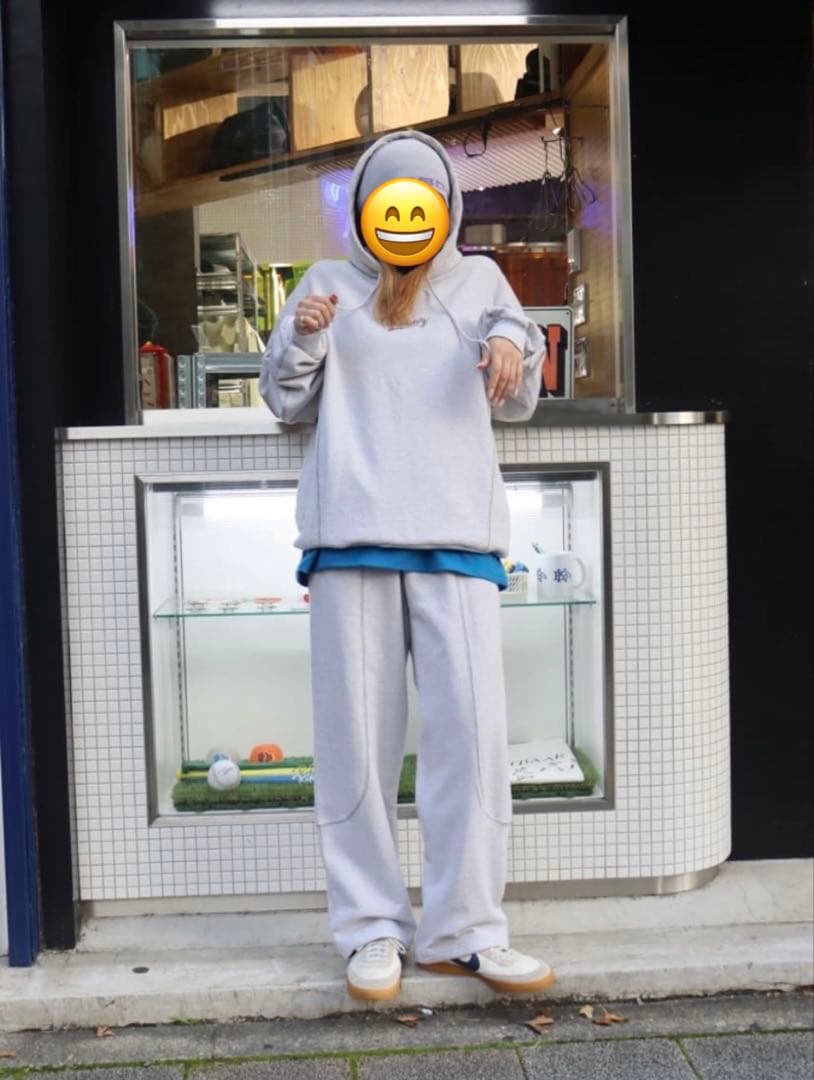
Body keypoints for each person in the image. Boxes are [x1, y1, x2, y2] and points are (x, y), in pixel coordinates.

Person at [260, 129, 555, 1002]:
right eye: (388, 202)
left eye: (421, 201)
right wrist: (302, 336)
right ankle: (370, 930)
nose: (403, 218)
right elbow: (285, 401)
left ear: (446, 210)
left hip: (458, 541)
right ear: (362, 210)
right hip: (351, 538)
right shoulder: (327, 284)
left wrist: (514, 347)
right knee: (356, 747)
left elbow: (521, 402)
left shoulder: (481, 284)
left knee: (472, 742)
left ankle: (467, 931)